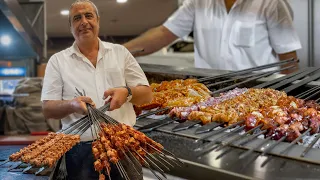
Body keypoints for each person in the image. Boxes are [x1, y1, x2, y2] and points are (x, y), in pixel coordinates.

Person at [41, 0, 152, 179]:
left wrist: (127, 92)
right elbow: (47, 109)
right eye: (77, 18)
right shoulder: (58, 61)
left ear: (98, 21)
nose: (84, 21)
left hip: (124, 145)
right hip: (80, 152)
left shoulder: (120, 53)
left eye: (88, 16)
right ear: (71, 26)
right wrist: (72, 104)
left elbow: (147, 96)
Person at [123, 0, 301, 73]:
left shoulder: (271, 3)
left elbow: (288, 60)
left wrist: (286, 100)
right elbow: (163, 34)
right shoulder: (199, 2)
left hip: (258, 96)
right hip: (211, 95)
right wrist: (119, 52)